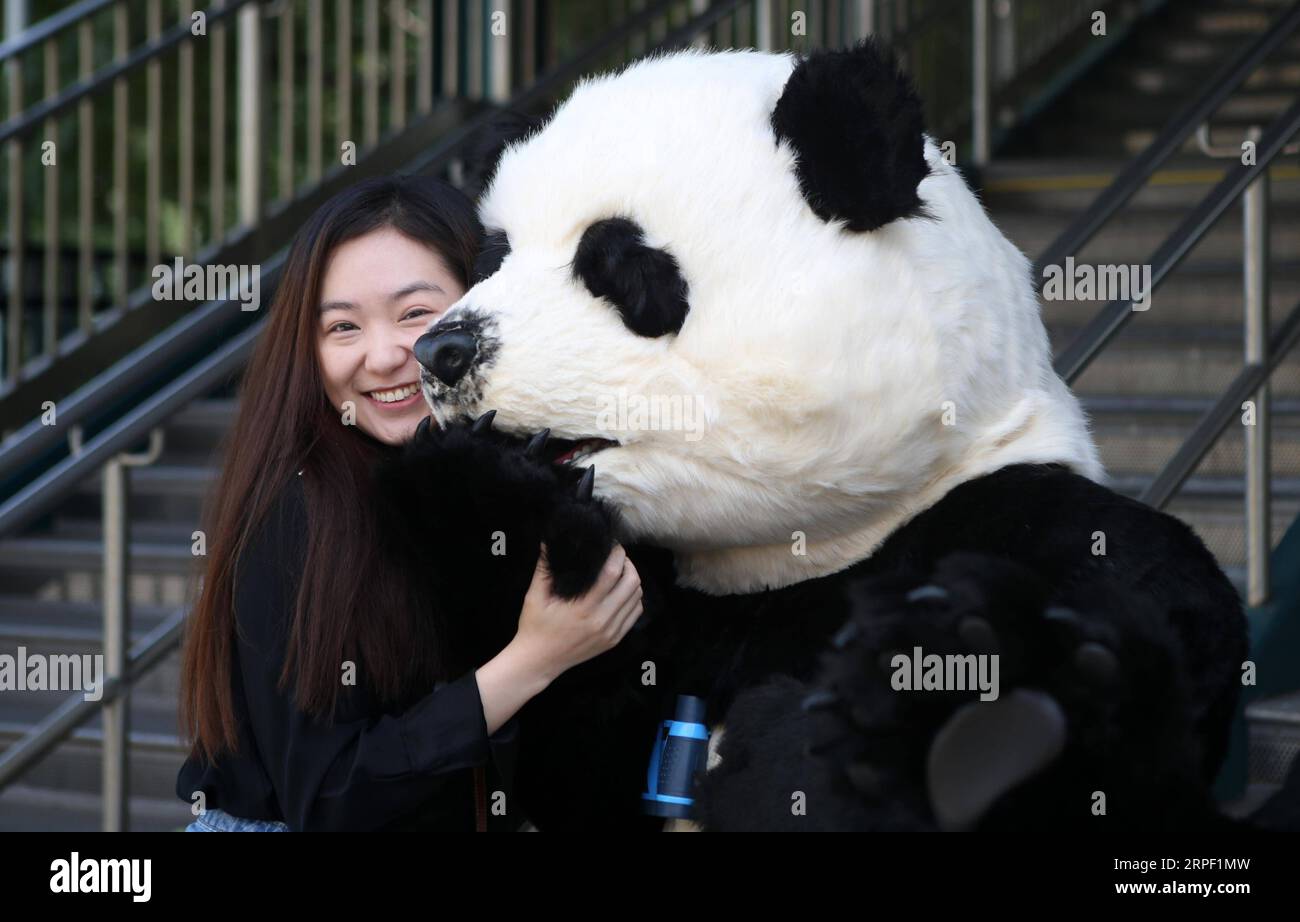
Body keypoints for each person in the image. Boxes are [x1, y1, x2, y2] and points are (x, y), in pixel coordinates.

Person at [176, 175, 643, 831]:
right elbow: (328, 797)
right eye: (343, 326)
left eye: (416, 314)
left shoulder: (503, 479)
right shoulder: (298, 507)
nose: (384, 355)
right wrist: (535, 658)